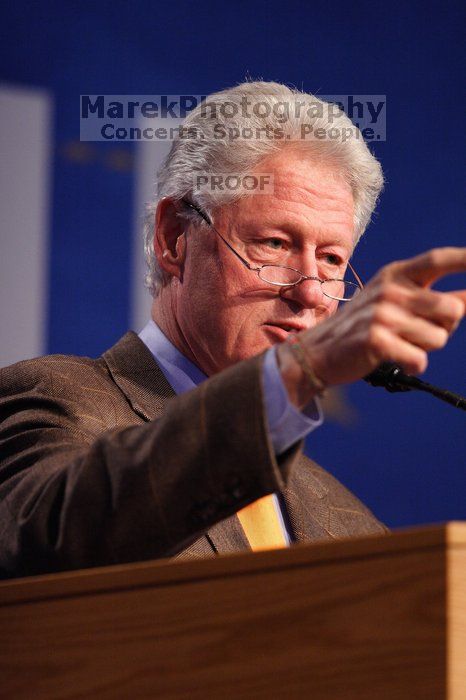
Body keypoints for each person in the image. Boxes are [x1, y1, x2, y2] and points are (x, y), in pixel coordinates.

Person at [0, 82, 464, 579]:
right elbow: (53, 542)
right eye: (274, 243)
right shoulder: (53, 399)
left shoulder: (353, 525)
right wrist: (297, 372)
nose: (309, 293)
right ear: (174, 238)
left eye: (331, 259)